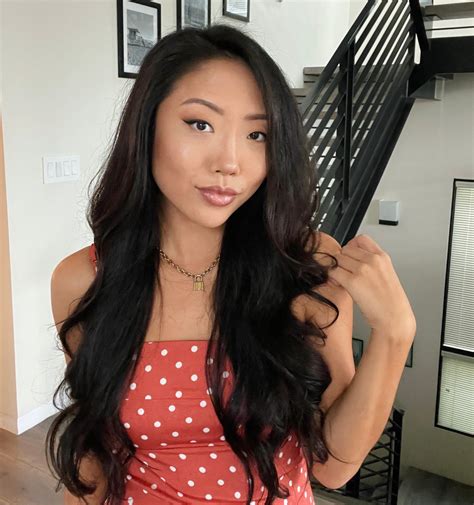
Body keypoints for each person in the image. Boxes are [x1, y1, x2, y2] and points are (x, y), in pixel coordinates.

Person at [46, 24, 416, 505]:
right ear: (147, 126)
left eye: (257, 134)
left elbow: (334, 465)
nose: (230, 162)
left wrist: (394, 334)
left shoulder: (305, 266)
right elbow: (94, 454)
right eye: (200, 124)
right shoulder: (85, 279)